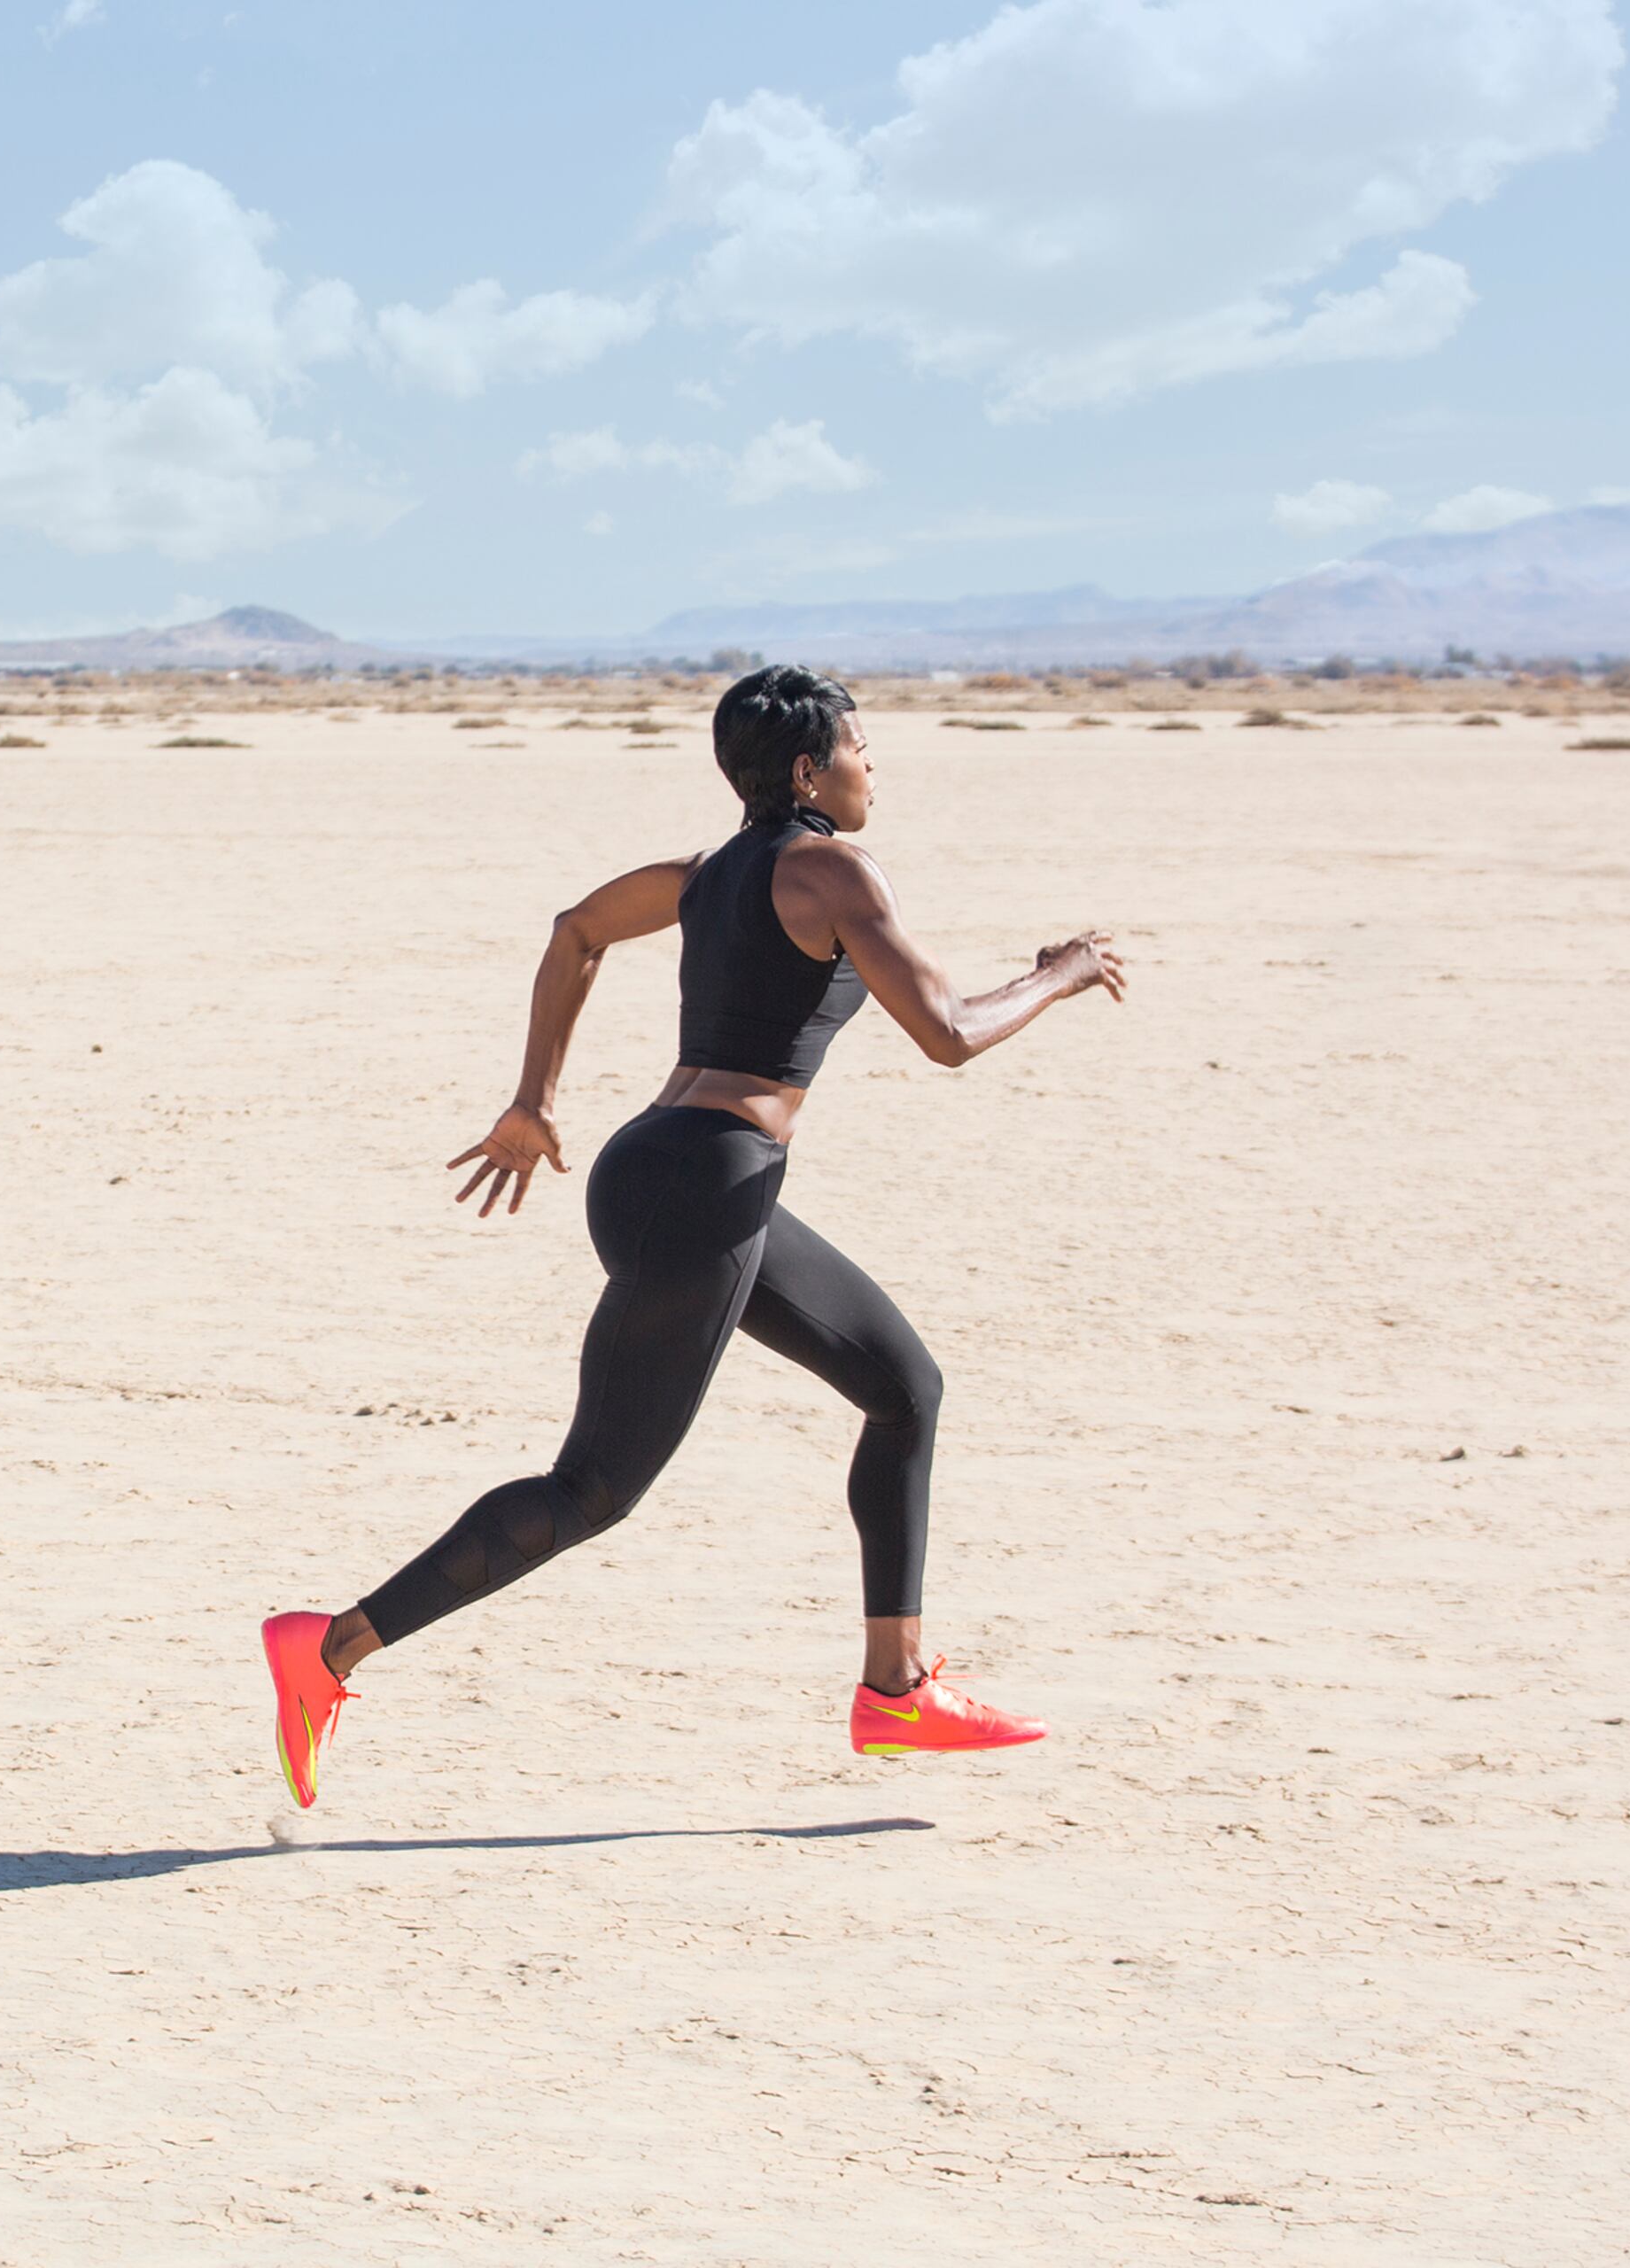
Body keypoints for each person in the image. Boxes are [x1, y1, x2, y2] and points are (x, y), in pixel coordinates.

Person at [262, 664, 1126, 1807]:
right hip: (704, 1186)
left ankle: (895, 1690)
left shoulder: (711, 871)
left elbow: (578, 931)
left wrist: (536, 1099)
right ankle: (328, 1648)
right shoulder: (830, 866)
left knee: (904, 1388)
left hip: (677, 1173)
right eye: (863, 748)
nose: (879, 767)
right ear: (812, 769)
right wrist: (1058, 974)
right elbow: (951, 1032)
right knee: (593, 1490)